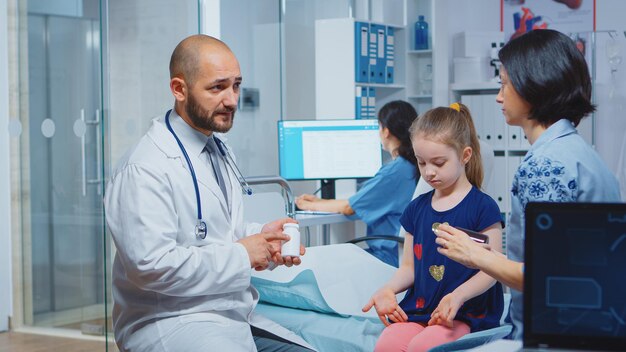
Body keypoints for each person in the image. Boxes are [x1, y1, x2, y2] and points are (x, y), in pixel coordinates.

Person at [104, 35, 314, 352]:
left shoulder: (217, 148)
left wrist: (263, 238)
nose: (232, 99)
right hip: (170, 322)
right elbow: (151, 267)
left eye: (236, 85)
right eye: (217, 87)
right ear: (179, 89)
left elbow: (218, 231)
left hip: (228, 314)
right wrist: (245, 253)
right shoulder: (144, 168)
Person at [433, 29, 621, 341]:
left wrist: (475, 255)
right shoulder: (581, 154)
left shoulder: (544, 165)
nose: (498, 96)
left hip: (557, 332)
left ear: (534, 84)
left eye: (504, 83)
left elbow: (548, 277)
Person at [362, 103, 504, 352]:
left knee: (423, 347)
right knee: (386, 345)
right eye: (421, 162)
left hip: (465, 312)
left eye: (438, 163)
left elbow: (492, 270)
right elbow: (409, 267)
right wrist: (389, 289)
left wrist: (457, 296)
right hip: (422, 309)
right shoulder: (416, 209)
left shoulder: (483, 208)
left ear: (465, 155)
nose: (429, 172)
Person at [295, 100, 419, 267]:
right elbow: (355, 203)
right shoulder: (413, 165)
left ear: (386, 131)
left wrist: (308, 206)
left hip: (389, 258)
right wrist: (319, 202)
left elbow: (349, 207)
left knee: (324, 261)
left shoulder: (394, 172)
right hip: (406, 255)